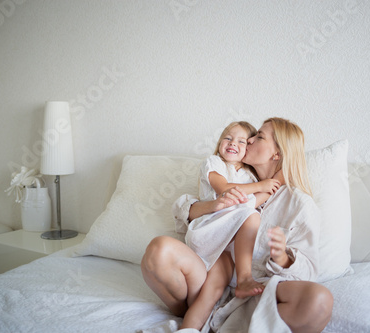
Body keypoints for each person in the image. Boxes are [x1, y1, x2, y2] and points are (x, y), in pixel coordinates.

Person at [141, 117, 333, 333]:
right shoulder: (234, 175)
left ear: (276, 154)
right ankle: (195, 315)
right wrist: (212, 205)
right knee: (159, 250)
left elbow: (308, 273)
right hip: (207, 281)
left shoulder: (299, 204)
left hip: (256, 293)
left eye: (258, 137)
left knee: (319, 300)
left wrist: (282, 258)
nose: (248, 141)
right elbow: (189, 215)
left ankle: (228, 319)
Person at [180, 121, 281, 329]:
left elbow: (256, 199)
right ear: (219, 144)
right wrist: (262, 185)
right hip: (207, 230)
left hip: (224, 249)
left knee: (210, 294)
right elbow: (223, 188)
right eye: (228, 137)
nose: (233, 143)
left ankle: (187, 329)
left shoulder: (249, 176)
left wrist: (278, 179)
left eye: (242, 141)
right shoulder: (214, 162)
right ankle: (245, 278)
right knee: (252, 216)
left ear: (247, 149)